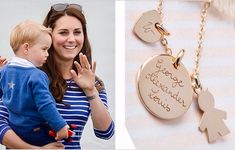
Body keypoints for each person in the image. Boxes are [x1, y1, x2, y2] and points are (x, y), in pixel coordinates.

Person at [0, 3, 114, 149]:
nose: (72, 39)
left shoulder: (93, 81)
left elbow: (105, 133)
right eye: (63, 32)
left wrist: (91, 91)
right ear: (49, 36)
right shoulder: (25, 74)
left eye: (77, 32)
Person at [0, 20, 69, 146]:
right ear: (26, 47)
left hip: (15, 130)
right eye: (44, 49)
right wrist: (60, 126)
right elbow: (45, 104)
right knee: (59, 143)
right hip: (36, 132)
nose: (47, 54)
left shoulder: (4, 71)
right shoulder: (37, 75)